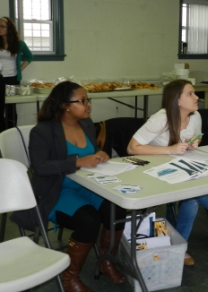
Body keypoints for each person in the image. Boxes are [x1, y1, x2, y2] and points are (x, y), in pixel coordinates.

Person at [11, 81, 127, 292]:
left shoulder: (87, 124)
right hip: (57, 190)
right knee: (89, 221)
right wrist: (77, 161)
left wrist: (101, 155)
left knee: (117, 210)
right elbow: (40, 166)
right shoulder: (43, 131)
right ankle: (69, 276)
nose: (87, 105)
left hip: (89, 185)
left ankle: (106, 259)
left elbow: (91, 154)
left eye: (87, 100)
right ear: (65, 106)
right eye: (81, 101)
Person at [127, 79, 208, 266]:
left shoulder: (195, 117)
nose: (197, 97)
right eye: (190, 94)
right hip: (153, 172)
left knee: (193, 196)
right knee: (195, 191)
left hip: (179, 169)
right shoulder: (161, 118)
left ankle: (180, 246)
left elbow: (189, 142)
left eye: (195, 93)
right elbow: (132, 148)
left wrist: (191, 145)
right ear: (177, 101)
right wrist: (170, 149)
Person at [0, 16, 33, 131]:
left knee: (11, 108)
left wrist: (20, 69)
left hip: (12, 79)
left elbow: (29, 56)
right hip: (0, 79)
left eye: (2, 26)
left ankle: (11, 131)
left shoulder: (19, 44)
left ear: (9, 29)